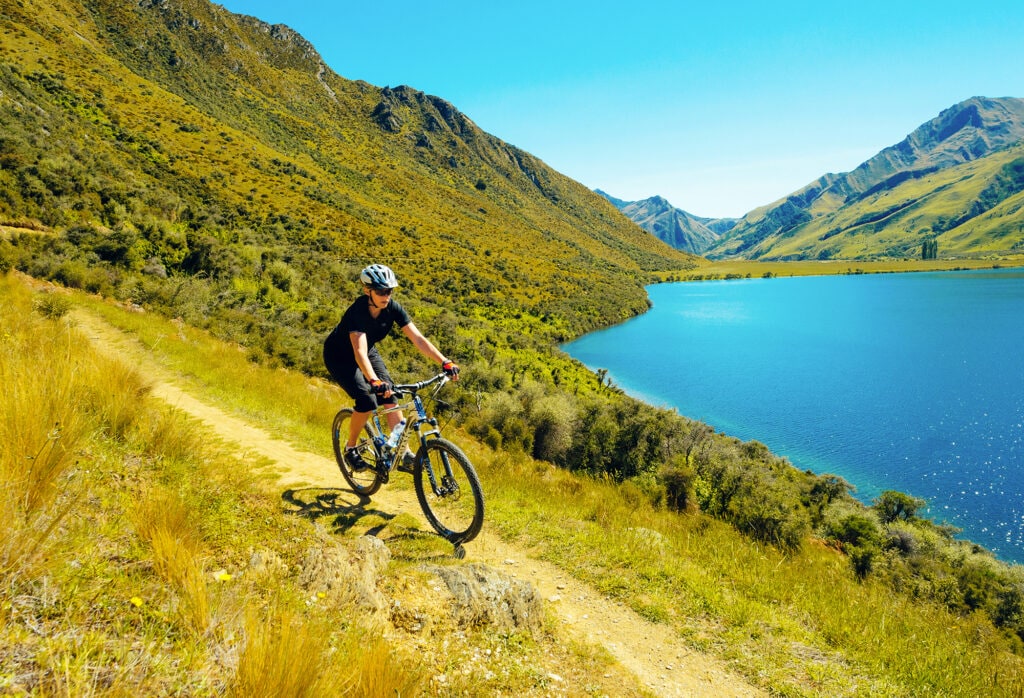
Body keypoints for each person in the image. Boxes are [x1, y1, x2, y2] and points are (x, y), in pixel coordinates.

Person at [324, 263, 459, 477]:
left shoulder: (392, 309)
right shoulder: (357, 312)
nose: (386, 295)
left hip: (368, 352)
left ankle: (403, 453)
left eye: (389, 290)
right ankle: (350, 448)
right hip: (340, 357)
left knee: (392, 396)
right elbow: (358, 352)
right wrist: (374, 381)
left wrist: (445, 361)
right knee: (367, 400)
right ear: (367, 291)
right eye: (380, 291)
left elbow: (418, 339)